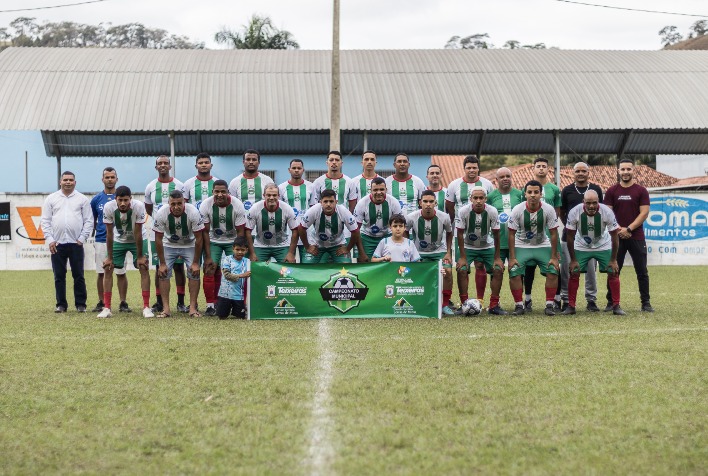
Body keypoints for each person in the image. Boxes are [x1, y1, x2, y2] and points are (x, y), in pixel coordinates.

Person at [563, 190, 625, 315]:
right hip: (582, 245)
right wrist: (573, 260)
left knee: (613, 271)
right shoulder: (575, 212)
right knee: (574, 272)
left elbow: (615, 237)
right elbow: (569, 237)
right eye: (588, 203)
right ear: (583, 202)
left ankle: (616, 306)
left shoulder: (607, 212)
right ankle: (571, 306)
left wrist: (613, 260)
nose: (591, 206)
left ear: (599, 202)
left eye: (594, 203)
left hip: (603, 245)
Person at [603, 159, 653, 312]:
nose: (625, 172)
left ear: (633, 170)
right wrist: (619, 229)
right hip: (616, 237)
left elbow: (644, 213)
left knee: (642, 271)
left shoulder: (641, 191)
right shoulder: (612, 191)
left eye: (628, 169)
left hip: (636, 236)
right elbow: (607, 213)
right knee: (614, 269)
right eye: (622, 169)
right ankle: (611, 302)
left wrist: (629, 229)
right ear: (618, 171)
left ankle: (646, 303)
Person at [97, 186, 154, 318]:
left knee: (143, 266)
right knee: (108, 267)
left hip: (138, 239)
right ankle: (107, 308)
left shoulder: (139, 206)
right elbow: (109, 233)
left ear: (131, 199)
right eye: (120, 200)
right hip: (118, 240)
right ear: (115, 199)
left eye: (126, 200)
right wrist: (109, 257)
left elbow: (138, 231)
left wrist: (140, 256)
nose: (123, 203)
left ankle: (146, 307)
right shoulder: (109, 207)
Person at [41, 171, 93, 313]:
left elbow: (89, 221)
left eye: (71, 180)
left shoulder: (82, 199)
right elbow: (45, 221)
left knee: (79, 275)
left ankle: (81, 304)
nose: (68, 182)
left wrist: (82, 238)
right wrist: (50, 240)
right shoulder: (51, 199)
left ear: (75, 182)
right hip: (57, 244)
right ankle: (61, 305)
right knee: (59, 276)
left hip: (76, 244)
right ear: (60, 181)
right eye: (65, 180)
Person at [507, 180, 561, 316]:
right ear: (525, 194)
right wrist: (512, 257)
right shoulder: (517, 210)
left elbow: (554, 233)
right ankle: (519, 305)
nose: (533, 195)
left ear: (541, 194)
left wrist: (554, 257)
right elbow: (511, 234)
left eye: (536, 192)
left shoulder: (548, 209)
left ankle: (549, 304)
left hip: (542, 244)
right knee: (514, 270)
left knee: (554, 269)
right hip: (521, 244)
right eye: (529, 192)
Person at [144, 155, 188, 313]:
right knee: (159, 268)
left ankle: (181, 302)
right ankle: (159, 302)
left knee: (178, 268)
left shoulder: (180, 185)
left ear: (170, 167)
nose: (163, 165)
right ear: (156, 167)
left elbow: (185, 206)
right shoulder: (150, 186)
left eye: (165, 163)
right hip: (159, 234)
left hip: (179, 234)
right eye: (159, 163)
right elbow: (149, 209)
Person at [152, 190, 204, 318]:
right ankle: (166, 309)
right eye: (173, 204)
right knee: (163, 273)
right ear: (169, 203)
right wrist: (162, 264)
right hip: (169, 244)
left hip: (190, 244)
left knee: (194, 272)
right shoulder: (161, 213)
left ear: (184, 202)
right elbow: (158, 239)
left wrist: (196, 262)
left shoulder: (193, 212)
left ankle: (192, 308)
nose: (176, 207)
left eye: (179, 203)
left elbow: (199, 238)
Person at [560, 162, 604, 312]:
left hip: (590, 237)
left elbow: (601, 211)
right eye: (577, 171)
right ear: (573, 173)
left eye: (583, 171)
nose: (580, 173)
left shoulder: (596, 189)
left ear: (588, 173)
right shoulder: (567, 190)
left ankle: (591, 300)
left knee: (591, 269)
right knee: (567, 268)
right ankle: (566, 300)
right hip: (569, 236)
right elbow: (562, 212)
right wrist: (572, 227)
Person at [455, 187, 506, 315]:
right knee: (461, 270)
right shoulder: (463, 211)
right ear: (471, 199)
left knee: (498, 269)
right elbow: (460, 234)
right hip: (468, 246)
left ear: (485, 199)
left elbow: (496, 235)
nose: (478, 201)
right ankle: (464, 304)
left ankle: (494, 305)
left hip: (487, 246)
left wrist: (497, 257)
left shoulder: (492, 211)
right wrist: (462, 257)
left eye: (481, 198)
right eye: (475, 198)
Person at [199, 180, 246, 316]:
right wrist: (207, 256)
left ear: (228, 192)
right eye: (216, 192)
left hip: (233, 241)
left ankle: (241, 303)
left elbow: (241, 232)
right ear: (212, 192)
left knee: (238, 270)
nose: (220, 194)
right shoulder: (206, 205)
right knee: (210, 268)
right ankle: (210, 305)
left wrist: (239, 251)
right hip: (214, 241)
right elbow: (205, 232)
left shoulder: (237, 205)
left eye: (223, 191)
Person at [523, 157, 561, 312]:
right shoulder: (526, 189)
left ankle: (556, 300)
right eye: (538, 166)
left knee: (554, 266)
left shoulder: (555, 189)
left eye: (544, 166)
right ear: (533, 169)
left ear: (548, 169)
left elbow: (557, 212)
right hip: (530, 234)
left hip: (549, 233)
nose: (541, 169)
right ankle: (527, 299)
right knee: (529, 268)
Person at [406, 190, 454, 313]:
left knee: (448, 272)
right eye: (425, 201)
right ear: (420, 203)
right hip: (419, 253)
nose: (428, 204)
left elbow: (449, 233)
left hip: (439, 251)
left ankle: (444, 304)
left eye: (431, 202)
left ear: (435, 203)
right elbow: (406, 233)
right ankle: (419, 302)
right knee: (414, 275)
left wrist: (448, 252)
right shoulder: (411, 217)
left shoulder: (444, 217)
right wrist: (410, 251)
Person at [300, 189, 360, 264]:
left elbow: (355, 231)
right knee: (307, 266)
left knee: (346, 267)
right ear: (320, 202)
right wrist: (307, 247)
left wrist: (348, 248)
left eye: (331, 201)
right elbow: (301, 228)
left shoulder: (343, 211)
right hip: (316, 244)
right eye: (325, 201)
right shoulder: (314, 210)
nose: (328, 204)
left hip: (337, 245)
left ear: (336, 202)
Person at [245, 183, 298, 263]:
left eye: (274, 195)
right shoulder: (255, 208)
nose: (271, 198)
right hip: (261, 245)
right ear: (264, 195)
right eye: (268, 195)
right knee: (255, 269)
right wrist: (252, 253)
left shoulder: (287, 208)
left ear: (278, 196)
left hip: (282, 245)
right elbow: (247, 231)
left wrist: (290, 253)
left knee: (287, 270)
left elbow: (295, 231)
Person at [89, 167, 117, 313]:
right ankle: (102, 301)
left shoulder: (122, 197)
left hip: (119, 240)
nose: (110, 179)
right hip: (101, 239)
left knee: (120, 272)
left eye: (112, 177)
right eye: (107, 177)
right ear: (103, 179)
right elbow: (93, 220)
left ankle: (123, 302)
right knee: (101, 272)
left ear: (116, 179)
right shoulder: (96, 200)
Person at [353, 177, 402, 262]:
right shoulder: (362, 203)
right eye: (375, 190)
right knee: (366, 266)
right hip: (367, 238)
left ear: (386, 190)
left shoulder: (394, 202)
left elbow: (400, 227)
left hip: (387, 236)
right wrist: (361, 252)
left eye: (381, 189)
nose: (379, 192)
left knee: (390, 264)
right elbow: (356, 230)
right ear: (370, 190)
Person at [278, 159, 314, 259]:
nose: (296, 170)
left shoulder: (311, 187)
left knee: (307, 267)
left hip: (307, 235)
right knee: (288, 268)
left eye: (299, 168)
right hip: (287, 235)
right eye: (294, 168)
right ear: (289, 170)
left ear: (303, 170)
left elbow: (313, 210)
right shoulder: (281, 188)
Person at [445, 155, 495, 222]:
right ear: (464, 169)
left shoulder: (487, 184)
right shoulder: (453, 184)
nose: (471, 170)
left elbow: (491, 203)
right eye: (469, 168)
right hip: (461, 224)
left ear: (478, 169)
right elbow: (449, 206)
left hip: (482, 223)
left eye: (474, 168)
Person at [216, 236, 251, 320]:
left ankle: (239, 310)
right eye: (237, 249)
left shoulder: (247, 261)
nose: (240, 252)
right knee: (222, 316)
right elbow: (227, 275)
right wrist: (242, 275)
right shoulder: (227, 259)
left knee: (240, 317)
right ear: (233, 249)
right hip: (225, 294)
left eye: (242, 250)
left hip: (239, 295)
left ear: (246, 250)